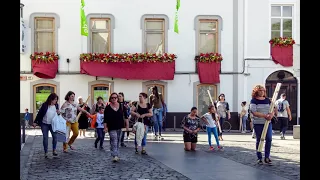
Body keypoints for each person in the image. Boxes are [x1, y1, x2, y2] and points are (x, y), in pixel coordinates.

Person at [249, 85, 274, 165]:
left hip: (267, 123)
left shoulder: (267, 100)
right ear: (256, 91)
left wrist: (271, 115)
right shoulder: (254, 101)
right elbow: (254, 112)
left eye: (263, 90)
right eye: (260, 90)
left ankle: (267, 157)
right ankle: (259, 157)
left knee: (269, 139)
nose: (262, 92)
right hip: (258, 123)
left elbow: (273, 109)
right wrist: (264, 116)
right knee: (259, 140)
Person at [104, 92, 129, 162]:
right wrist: (105, 127)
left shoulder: (121, 106)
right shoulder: (108, 108)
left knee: (117, 141)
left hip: (119, 126)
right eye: (112, 98)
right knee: (114, 139)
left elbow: (126, 116)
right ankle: (115, 155)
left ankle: (115, 153)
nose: (114, 99)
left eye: (115, 97)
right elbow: (105, 119)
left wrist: (127, 125)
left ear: (117, 98)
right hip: (111, 127)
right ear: (110, 99)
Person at [33, 93, 59, 158]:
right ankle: (46, 152)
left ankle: (54, 150)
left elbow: (58, 114)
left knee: (55, 137)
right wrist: (35, 122)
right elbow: (39, 113)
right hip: (44, 123)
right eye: (55, 99)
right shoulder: (45, 105)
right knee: (45, 138)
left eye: (56, 99)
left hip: (53, 124)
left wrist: (58, 113)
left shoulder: (56, 105)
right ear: (51, 99)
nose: (56, 101)